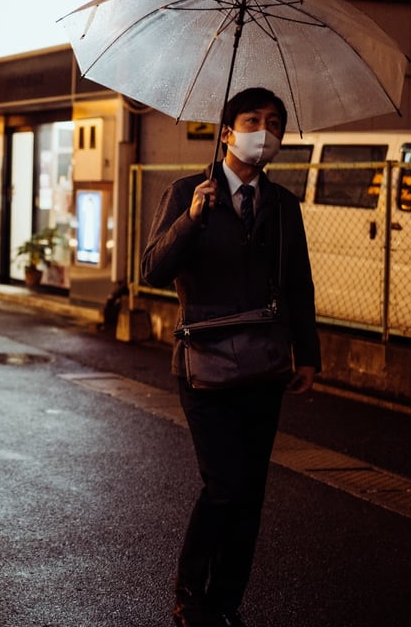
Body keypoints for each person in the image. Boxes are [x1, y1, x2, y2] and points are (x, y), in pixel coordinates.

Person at [140, 87, 321, 627]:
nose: (262, 132)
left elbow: (298, 285)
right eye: (251, 120)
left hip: (265, 367)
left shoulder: (283, 206)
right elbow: (152, 269)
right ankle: (189, 595)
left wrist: (307, 353)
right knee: (224, 486)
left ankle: (226, 604)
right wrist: (192, 218)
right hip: (204, 365)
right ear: (225, 132)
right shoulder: (186, 192)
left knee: (252, 494)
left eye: (274, 124)